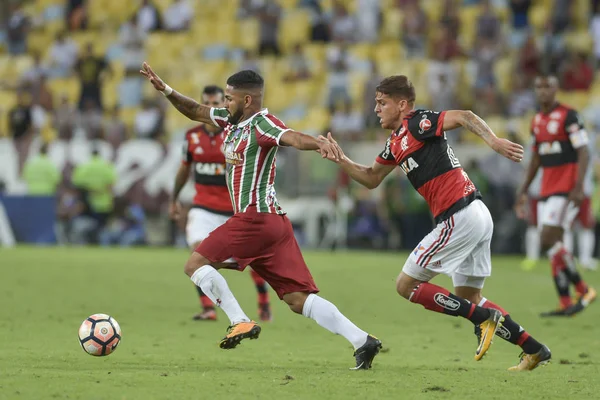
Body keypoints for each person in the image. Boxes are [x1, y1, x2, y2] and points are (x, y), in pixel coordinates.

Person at [140, 63, 381, 370]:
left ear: (247, 100)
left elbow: (291, 137)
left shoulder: (261, 124)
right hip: (273, 224)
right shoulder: (230, 121)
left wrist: (318, 142)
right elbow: (195, 111)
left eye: (229, 98)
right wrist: (166, 90)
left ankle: (239, 320)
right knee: (297, 299)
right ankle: (362, 340)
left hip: (254, 218)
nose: (224, 103)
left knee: (194, 264)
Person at [320, 75, 550, 371]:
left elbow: (464, 116)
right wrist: (340, 158)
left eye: (382, 102)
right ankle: (533, 348)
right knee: (470, 297)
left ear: (402, 104)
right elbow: (371, 177)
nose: (376, 109)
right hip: (476, 213)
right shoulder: (395, 142)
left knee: (406, 285)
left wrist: (493, 141)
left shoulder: (418, 122)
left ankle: (482, 319)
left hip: (460, 216)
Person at [171, 85, 273, 322]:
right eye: (208, 102)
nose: (213, 107)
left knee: (251, 259)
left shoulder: (236, 134)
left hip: (233, 209)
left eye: (218, 102)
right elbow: (184, 170)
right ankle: (208, 308)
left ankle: (263, 302)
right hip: (203, 207)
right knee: (197, 254)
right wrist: (174, 199)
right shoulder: (191, 137)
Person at [515, 75, 597, 316]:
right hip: (546, 189)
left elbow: (583, 152)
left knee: (547, 238)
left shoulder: (569, 116)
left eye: (548, 86)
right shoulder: (537, 121)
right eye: (539, 87)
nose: (543, 91)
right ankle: (565, 301)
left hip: (567, 188)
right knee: (553, 246)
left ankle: (583, 289)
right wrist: (523, 189)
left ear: (556, 89)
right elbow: (537, 159)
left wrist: (579, 186)